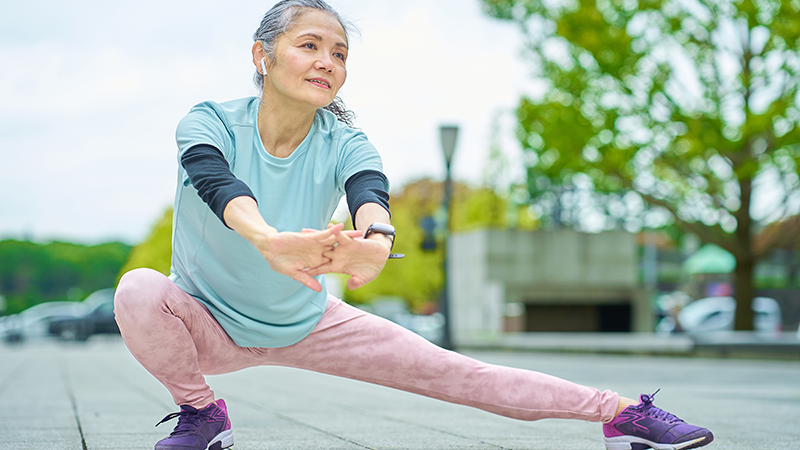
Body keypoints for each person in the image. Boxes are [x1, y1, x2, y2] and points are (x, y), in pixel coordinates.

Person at [113, 1, 715, 450]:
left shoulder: (347, 141)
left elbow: (371, 198)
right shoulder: (210, 121)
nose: (327, 61)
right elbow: (218, 185)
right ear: (261, 55)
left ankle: (621, 413)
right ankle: (202, 413)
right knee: (138, 289)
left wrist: (375, 244)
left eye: (340, 53)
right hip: (206, 322)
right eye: (309, 45)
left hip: (308, 321)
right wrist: (270, 242)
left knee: (463, 375)